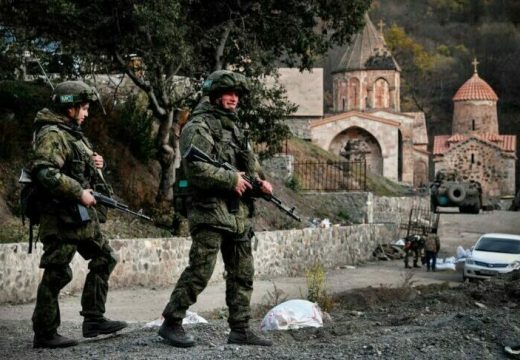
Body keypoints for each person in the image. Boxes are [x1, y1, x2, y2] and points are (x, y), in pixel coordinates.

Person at [159, 70, 273, 347]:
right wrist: (230, 179)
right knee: (200, 271)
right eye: (228, 93)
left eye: (237, 94)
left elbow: (250, 165)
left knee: (242, 274)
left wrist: (261, 182)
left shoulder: (235, 128)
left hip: (238, 213)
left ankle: (240, 328)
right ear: (215, 95)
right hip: (209, 211)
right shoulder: (197, 127)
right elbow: (195, 168)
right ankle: (171, 322)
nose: (234, 98)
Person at [29, 80, 127, 348]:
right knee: (58, 272)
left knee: (105, 257)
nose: (86, 113)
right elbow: (44, 171)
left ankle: (93, 319)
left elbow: (77, 165)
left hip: (80, 217)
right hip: (60, 217)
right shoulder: (52, 134)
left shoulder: (72, 133)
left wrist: (97, 163)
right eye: (83, 108)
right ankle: (45, 332)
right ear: (69, 107)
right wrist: (78, 192)